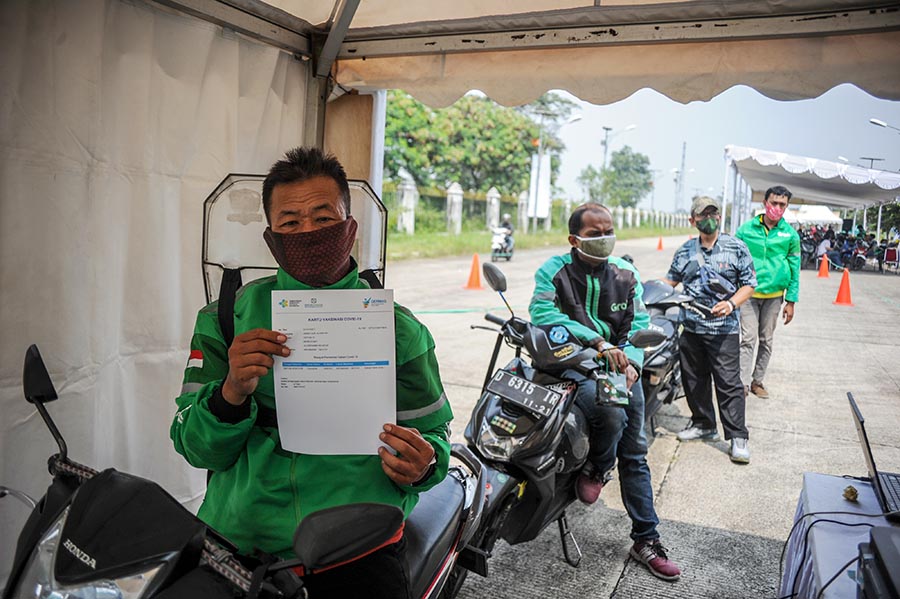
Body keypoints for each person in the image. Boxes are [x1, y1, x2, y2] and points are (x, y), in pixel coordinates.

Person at [170, 147, 453, 599]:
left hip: (359, 546)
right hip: (242, 543)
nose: (307, 232)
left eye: (323, 219)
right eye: (290, 222)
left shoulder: (398, 329)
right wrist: (232, 391)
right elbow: (194, 447)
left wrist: (424, 464)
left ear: (350, 228)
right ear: (271, 237)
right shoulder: (226, 319)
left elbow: (434, 437)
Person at [529, 203, 681, 582]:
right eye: (595, 234)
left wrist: (630, 362)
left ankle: (646, 538)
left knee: (635, 452)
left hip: (620, 369)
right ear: (574, 239)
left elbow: (638, 325)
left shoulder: (627, 273)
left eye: (608, 231)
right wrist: (597, 342)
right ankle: (598, 465)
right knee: (611, 414)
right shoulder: (554, 270)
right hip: (574, 363)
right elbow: (543, 314)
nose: (604, 239)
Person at [662, 197, 757, 464]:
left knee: (728, 384)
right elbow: (670, 281)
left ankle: (738, 436)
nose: (710, 219)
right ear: (692, 220)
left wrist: (730, 303)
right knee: (694, 381)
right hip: (691, 327)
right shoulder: (684, 251)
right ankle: (704, 425)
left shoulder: (736, 247)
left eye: (713, 214)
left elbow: (749, 284)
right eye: (704, 215)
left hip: (723, 329)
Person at [735, 185, 800, 399]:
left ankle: (757, 381)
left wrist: (791, 300)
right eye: (774, 203)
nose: (777, 208)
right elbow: (733, 258)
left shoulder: (789, 235)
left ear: (787, 206)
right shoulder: (746, 230)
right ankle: (742, 384)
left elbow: (794, 267)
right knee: (747, 339)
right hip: (748, 295)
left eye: (782, 204)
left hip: (774, 297)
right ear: (765, 203)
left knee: (766, 340)